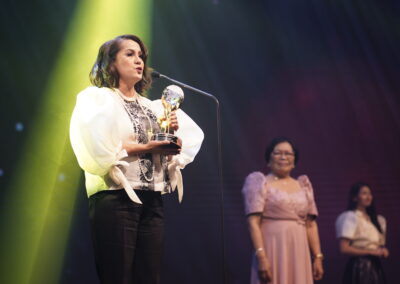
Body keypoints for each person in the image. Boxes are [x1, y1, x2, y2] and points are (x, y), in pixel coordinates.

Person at [69, 34, 204, 284]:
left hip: (151, 201)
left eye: (141, 55)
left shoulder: (153, 106)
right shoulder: (99, 100)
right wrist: (148, 146)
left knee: (148, 277)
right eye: (129, 54)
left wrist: (171, 138)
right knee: (117, 275)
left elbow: (171, 148)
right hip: (116, 197)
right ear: (111, 63)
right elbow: (99, 146)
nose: (138, 60)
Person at [242, 137, 324, 284]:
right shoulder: (260, 182)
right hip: (272, 247)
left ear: (294, 159)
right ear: (269, 157)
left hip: (299, 249)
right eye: (278, 153)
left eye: (288, 153)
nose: (283, 157)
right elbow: (253, 222)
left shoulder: (303, 185)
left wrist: (318, 257)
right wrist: (261, 256)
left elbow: (311, 225)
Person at [335, 182, 388, 284]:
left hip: (375, 266)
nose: (368, 197)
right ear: (355, 198)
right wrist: (370, 252)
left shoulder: (377, 220)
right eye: (364, 193)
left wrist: (382, 251)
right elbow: (344, 248)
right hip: (360, 267)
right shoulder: (350, 217)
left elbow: (379, 245)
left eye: (370, 194)